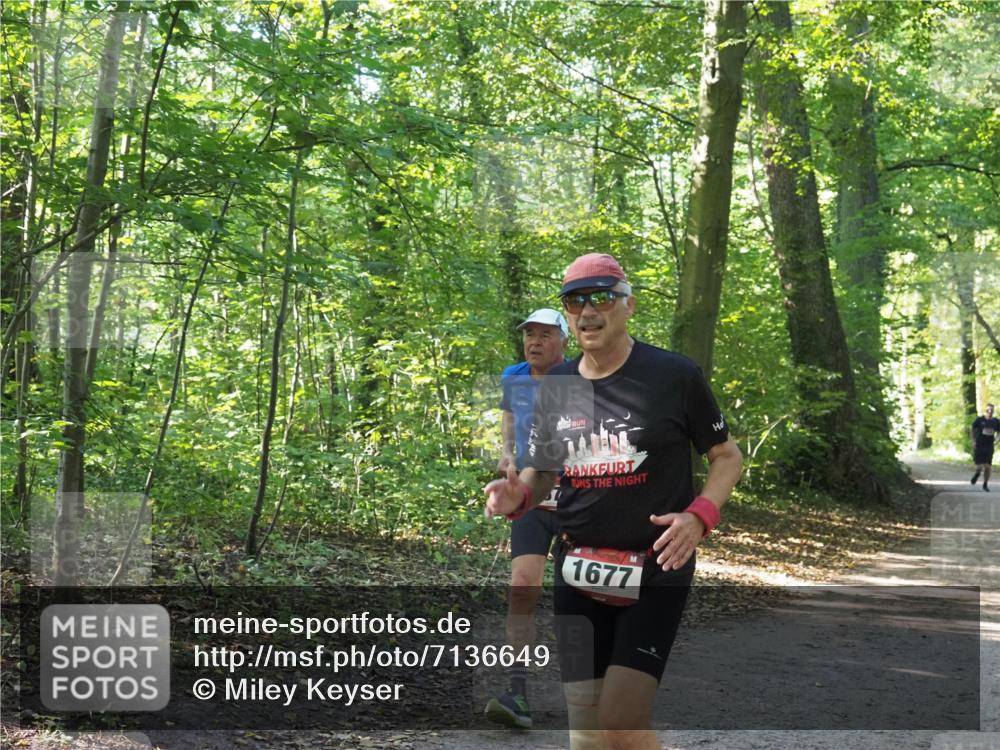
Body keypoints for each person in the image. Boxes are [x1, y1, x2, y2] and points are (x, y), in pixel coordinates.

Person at [485, 253, 742, 750]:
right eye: (575, 301)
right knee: (586, 730)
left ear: (629, 305)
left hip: (656, 567)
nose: (587, 311)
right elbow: (544, 472)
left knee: (621, 723)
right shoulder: (560, 384)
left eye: (602, 297)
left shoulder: (672, 375)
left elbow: (726, 456)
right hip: (578, 569)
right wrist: (518, 495)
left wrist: (699, 517)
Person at [485, 308, 570, 729]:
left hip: (578, 498)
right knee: (521, 589)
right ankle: (516, 691)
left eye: (545, 335)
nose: (534, 341)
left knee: (581, 595)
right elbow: (509, 415)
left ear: (565, 342)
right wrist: (507, 452)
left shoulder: (580, 377)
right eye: (529, 334)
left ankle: (598, 691)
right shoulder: (514, 376)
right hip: (531, 499)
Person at [971, 403, 998, 492]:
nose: (990, 411)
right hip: (979, 445)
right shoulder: (979, 420)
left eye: (991, 410)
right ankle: (977, 474)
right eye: (988, 410)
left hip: (989, 446)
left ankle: (985, 484)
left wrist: (997, 440)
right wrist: (973, 440)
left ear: (993, 411)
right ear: (985, 410)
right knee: (979, 467)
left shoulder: (996, 421)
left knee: (987, 467)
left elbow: (999, 432)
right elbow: (972, 429)